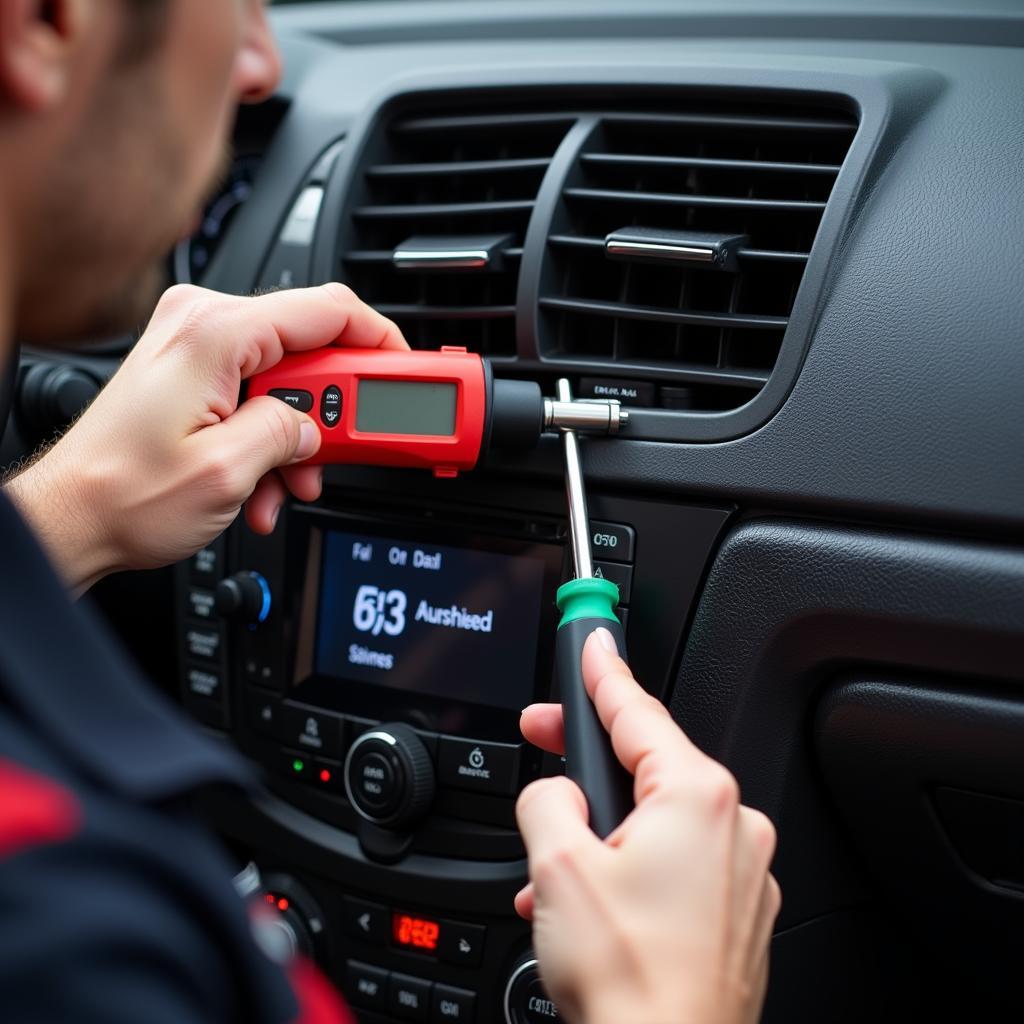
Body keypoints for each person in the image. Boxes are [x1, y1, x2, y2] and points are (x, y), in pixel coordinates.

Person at [0, 2, 780, 1022]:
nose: (260, 61)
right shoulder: (72, 923)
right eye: (234, 4)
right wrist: (674, 998)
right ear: (45, 22)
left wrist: (68, 514)